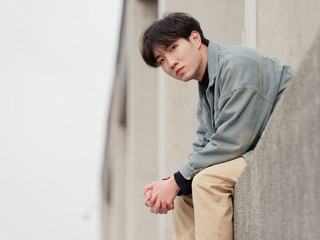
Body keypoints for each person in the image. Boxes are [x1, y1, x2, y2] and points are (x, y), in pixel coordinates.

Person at [140, 12, 294, 240]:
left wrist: (177, 180)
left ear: (194, 38)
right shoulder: (207, 85)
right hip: (259, 151)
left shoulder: (235, 66)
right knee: (184, 195)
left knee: (207, 181)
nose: (171, 63)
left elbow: (232, 140)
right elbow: (204, 144)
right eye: (161, 60)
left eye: (172, 47)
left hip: (291, 145)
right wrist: (175, 183)